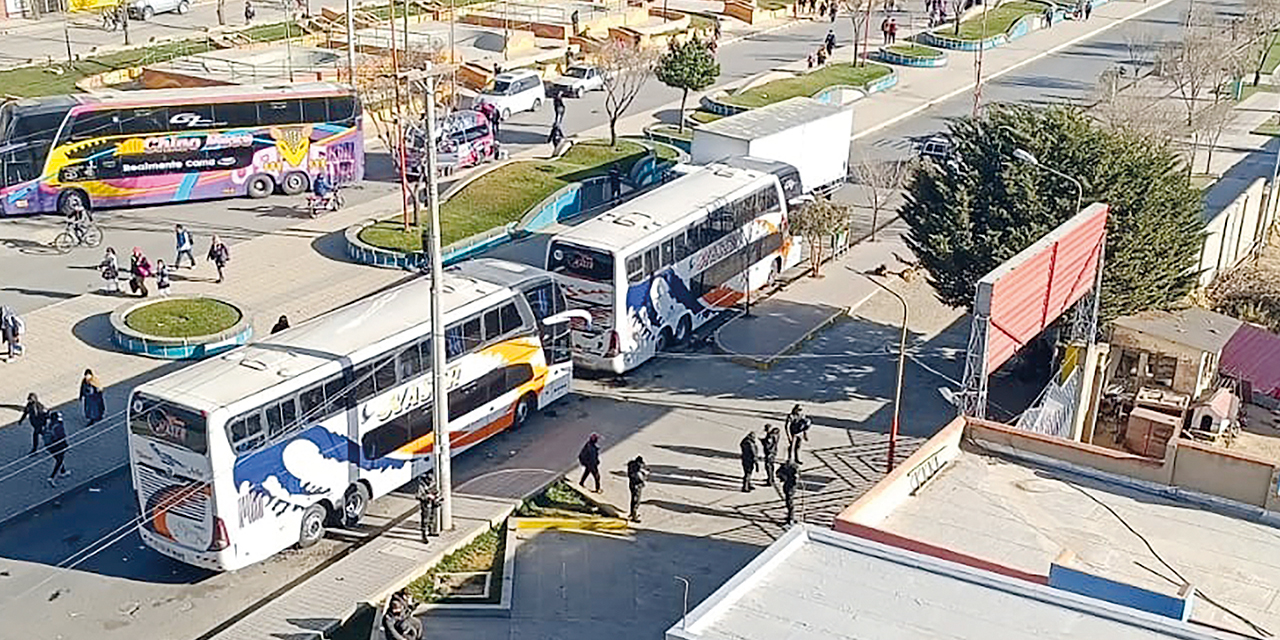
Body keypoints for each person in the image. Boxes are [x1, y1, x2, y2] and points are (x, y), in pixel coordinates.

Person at [44, 411, 69, 487]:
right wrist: (66, 445)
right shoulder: (58, 426)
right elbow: (61, 437)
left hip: (49, 446)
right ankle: (52, 477)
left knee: (58, 458)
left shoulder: (49, 425)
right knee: (59, 460)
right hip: (58, 446)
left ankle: (63, 471)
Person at [415, 472, 440, 542]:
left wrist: (436, 496)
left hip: (432, 503)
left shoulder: (432, 483)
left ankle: (431, 531)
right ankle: (424, 535)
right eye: (429, 480)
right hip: (426, 504)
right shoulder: (422, 486)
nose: (431, 482)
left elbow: (436, 491)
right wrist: (427, 496)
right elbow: (418, 496)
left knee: (432, 517)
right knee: (425, 520)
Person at [626, 455, 649, 522]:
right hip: (637, 485)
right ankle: (634, 516)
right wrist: (643, 479)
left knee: (633, 499)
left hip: (631, 484)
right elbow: (639, 477)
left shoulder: (631, 466)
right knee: (636, 501)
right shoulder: (638, 469)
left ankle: (632, 513)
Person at [778, 459, 799, 525]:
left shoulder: (792, 471)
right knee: (789, 504)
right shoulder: (791, 470)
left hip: (789, 488)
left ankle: (790, 518)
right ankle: (790, 518)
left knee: (790, 504)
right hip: (789, 488)